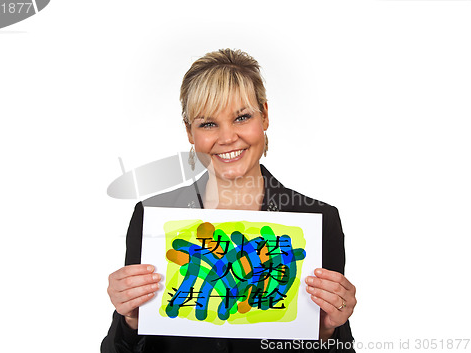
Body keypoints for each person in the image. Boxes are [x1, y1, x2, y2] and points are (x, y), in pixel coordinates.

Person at [101, 49, 356, 353]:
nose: (227, 137)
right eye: (208, 123)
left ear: (265, 116)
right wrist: (129, 319)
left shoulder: (319, 220)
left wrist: (328, 330)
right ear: (189, 132)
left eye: (242, 117)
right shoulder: (152, 217)